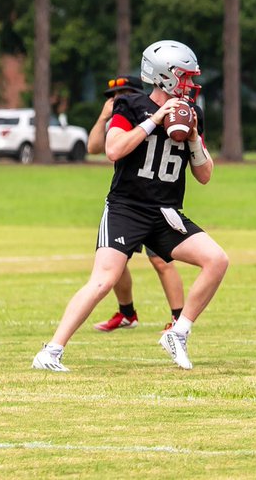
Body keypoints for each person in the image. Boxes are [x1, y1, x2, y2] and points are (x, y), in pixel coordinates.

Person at [32, 40, 228, 372]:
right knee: (103, 279)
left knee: (217, 260)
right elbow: (113, 149)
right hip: (128, 208)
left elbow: (205, 175)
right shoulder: (131, 105)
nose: (190, 85)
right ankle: (51, 351)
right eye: (185, 77)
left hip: (165, 212)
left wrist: (194, 137)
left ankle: (178, 333)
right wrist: (155, 120)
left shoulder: (191, 113)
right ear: (165, 76)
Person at [87, 75, 187, 333]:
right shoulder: (120, 115)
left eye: (123, 93)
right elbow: (94, 147)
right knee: (115, 263)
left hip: (151, 200)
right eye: (113, 96)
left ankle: (179, 318)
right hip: (125, 202)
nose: (116, 99)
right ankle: (127, 314)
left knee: (161, 261)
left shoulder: (144, 113)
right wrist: (103, 117)